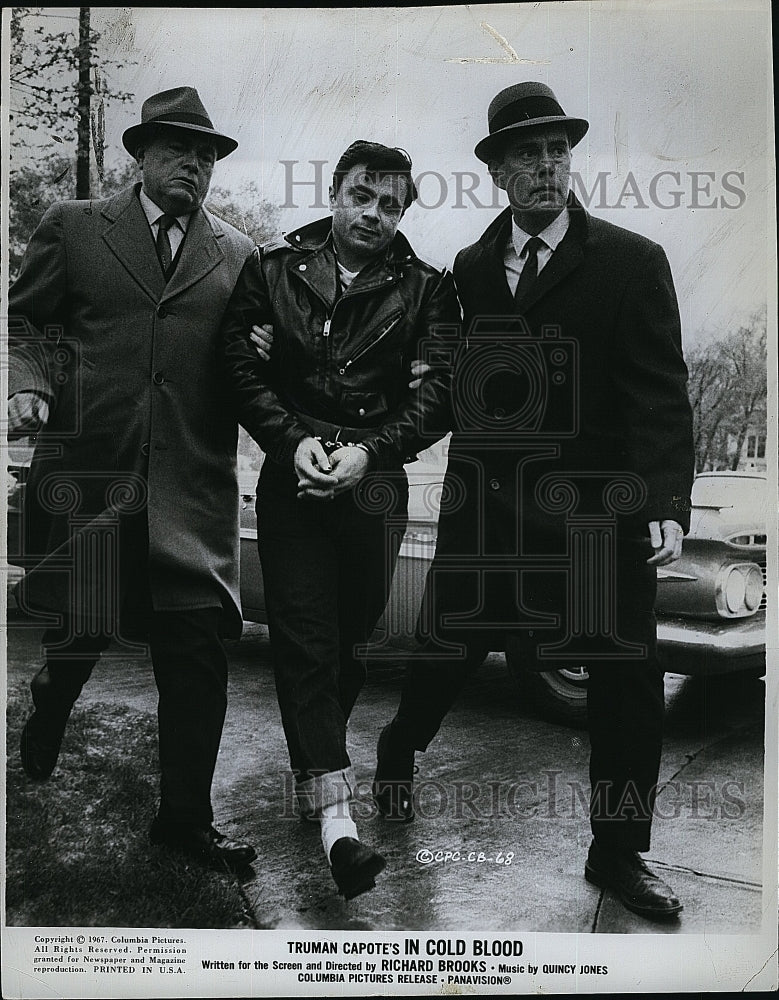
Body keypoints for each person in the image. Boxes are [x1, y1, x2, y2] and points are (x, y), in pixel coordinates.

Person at [373, 82, 695, 921]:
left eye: (556, 150)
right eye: (526, 153)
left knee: (624, 680)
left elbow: (659, 393)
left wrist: (663, 497)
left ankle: (618, 853)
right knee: (444, 653)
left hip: (594, 518)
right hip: (486, 511)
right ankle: (396, 758)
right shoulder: (471, 272)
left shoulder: (633, 261)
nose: (546, 166)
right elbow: (443, 387)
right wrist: (369, 441)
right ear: (497, 171)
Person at [8, 87, 257, 871]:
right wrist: (28, 380)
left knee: (196, 652)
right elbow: (26, 321)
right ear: (141, 154)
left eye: (208, 154)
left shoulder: (240, 254)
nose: (196, 163)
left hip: (191, 488)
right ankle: (52, 699)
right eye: (180, 148)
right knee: (83, 627)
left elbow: (248, 363)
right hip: (93, 476)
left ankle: (184, 820)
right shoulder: (75, 227)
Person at [220, 140, 459, 899]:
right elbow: (236, 365)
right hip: (291, 483)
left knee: (349, 642)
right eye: (362, 195)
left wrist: (367, 452)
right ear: (334, 192)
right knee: (305, 642)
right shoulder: (271, 269)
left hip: (374, 487)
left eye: (390, 204)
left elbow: (439, 393)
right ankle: (336, 825)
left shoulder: (428, 289)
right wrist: (292, 444)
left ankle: (310, 768)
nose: (373, 215)